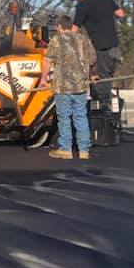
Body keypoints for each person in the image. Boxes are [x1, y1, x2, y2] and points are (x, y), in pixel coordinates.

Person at [39, 14, 97, 160]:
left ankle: (66, 149)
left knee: (64, 117)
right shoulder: (83, 39)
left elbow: (48, 60)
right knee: (81, 116)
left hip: (62, 86)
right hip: (80, 86)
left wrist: (43, 80)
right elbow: (91, 59)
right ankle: (84, 150)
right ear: (71, 26)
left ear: (59, 26)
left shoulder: (56, 40)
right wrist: (92, 76)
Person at [71, 0, 125, 111]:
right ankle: (112, 108)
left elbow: (74, 30)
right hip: (115, 45)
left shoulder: (82, 6)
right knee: (109, 77)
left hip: (101, 47)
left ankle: (104, 111)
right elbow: (121, 14)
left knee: (101, 79)